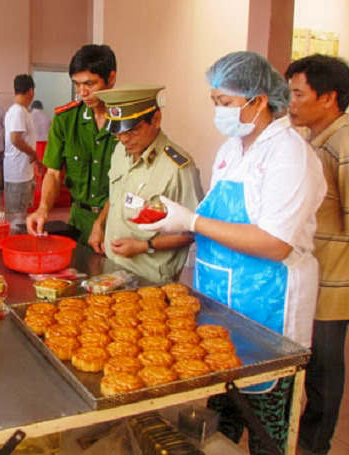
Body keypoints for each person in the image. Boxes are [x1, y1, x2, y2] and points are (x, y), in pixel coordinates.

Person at [141, 51, 326, 454]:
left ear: (259, 101)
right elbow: (219, 221)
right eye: (215, 103)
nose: (219, 112)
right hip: (222, 308)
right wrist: (164, 226)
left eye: (225, 103)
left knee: (265, 426)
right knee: (219, 424)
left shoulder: (289, 155)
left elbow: (275, 244)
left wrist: (189, 222)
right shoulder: (232, 149)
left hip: (267, 309)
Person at [285, 54, 349, 455]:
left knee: (324, 369)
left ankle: (314, 445)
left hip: (334, 284)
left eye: (298, 94)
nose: (291, 102)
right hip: (312, 278)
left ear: (329, 98)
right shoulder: (313, 141)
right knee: (307, 363)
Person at [90, 84, 203, 283]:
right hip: (113, 267)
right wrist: (99, 224)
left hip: (150, 279)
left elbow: (193, 231)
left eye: (133, 130)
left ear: (156, 120)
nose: (124, 138)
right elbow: (117, 195)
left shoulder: (178, 167)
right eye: (117, 131)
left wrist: (145, 246)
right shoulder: (120, 151)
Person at [26, 44, 118, 245]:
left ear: (111, 78)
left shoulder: (127, 122)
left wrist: (101, 223)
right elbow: (53, 173)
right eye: (77, 84)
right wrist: (43, 208)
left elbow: (127, 184)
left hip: (117, 222)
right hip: (78, 220)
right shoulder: (66, 120)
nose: (82, 92)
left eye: (90, 84)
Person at [4, 74, 40, 228]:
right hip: (17, 171)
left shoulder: (23, 111)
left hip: (23, 170)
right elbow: (15, 139)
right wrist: (33, 153)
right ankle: (15, 244)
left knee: (22, 210)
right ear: (31, 91)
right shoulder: (17, 111)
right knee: (17, 216)